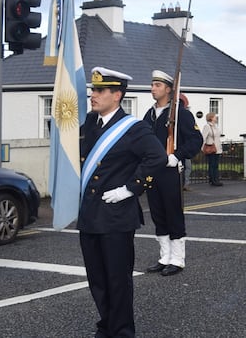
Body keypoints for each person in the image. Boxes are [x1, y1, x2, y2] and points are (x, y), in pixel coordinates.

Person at [78, 67, 167, 337]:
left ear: (116, 95)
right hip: (91, 215)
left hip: (116, 216)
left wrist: (130, 189)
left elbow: (157, 158)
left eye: (99, 91)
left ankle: (122, 331)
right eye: (93, 90)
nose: (93, 95)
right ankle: (106, 326)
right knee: (98, 280)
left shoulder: (134, 128)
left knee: (117, 280)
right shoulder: (90, 125)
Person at [142, 70, 203, 277]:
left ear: (169, 89)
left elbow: (196, 140)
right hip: (153, 172)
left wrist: (177, 156)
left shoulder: (181, 114)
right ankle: (164, 257)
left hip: (170, 172)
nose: (153, 88)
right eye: (152, 85)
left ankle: (177, 259)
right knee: (158, 214)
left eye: (157, 85)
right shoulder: (149, 114)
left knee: (173, 214)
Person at [202, 112, 224, 186]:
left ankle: (215, 179)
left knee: (216, 165)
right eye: (215, 117)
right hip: (211, 148)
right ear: (211, 118)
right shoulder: (207, 126)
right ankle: (213, 180)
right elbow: (203, 137)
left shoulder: (215, 126)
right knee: (212, 165)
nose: (216, 118)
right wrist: (203, 148)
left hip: (217, 148)